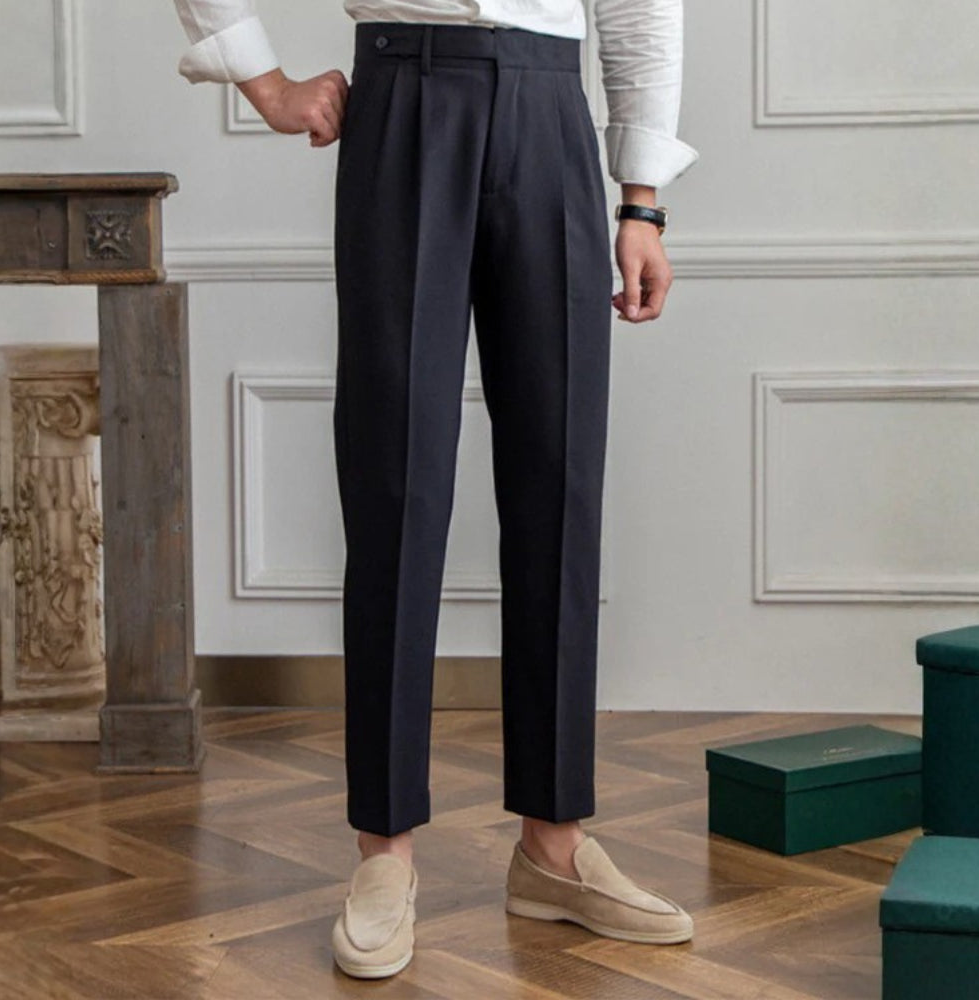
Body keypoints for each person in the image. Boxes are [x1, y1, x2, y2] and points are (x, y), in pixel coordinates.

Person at [172, 0, 699, 979]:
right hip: (405, 100)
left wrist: (641, 201)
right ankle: (384, 852)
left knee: (560, 481)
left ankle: (553, 849)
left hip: (552, 108)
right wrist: (265, 83)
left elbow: (637, 5)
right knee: (394, 483)